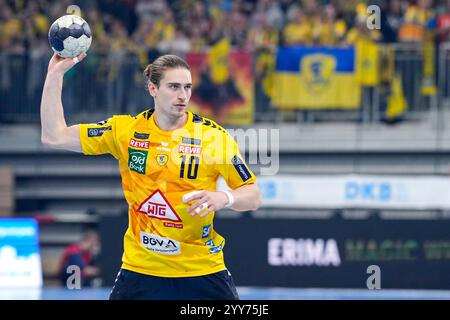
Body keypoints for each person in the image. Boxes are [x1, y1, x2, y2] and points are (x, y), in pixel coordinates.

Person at [40, 52, 261, 300]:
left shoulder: (213, 138)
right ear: (152, 88)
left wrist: (224, 198)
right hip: (140, 271)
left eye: (187, 87)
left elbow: (252, 195)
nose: (183, 95)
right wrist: (54, 75)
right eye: (174, 86)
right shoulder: (125, 131)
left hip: (202, 270)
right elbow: (54, 136)